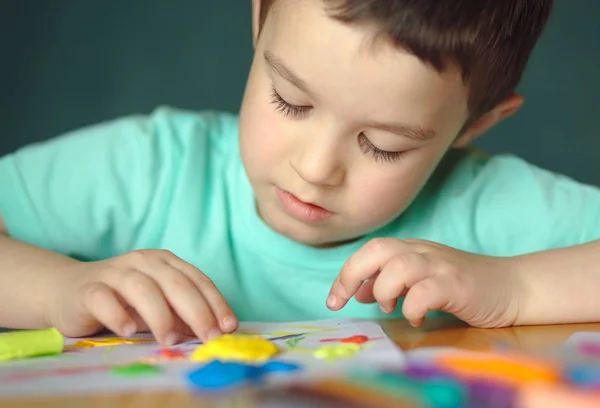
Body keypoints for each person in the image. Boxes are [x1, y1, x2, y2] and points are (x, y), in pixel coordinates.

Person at [1, 0, 598, 347]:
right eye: (290, 102)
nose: (315, 169)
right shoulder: (150, 167)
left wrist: (515, 288)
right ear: (260, 19)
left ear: (475, 124)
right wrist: (56, 290)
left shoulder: (483, 205)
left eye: (383, 145)